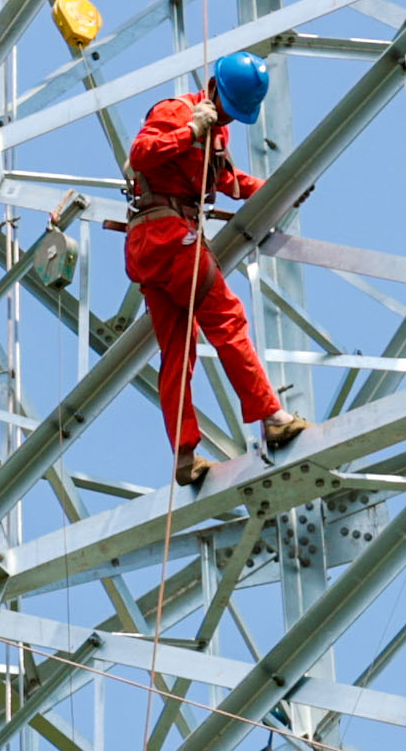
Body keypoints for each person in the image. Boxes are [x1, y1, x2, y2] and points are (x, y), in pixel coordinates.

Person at [123, 52, 308, 489]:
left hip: (156, 246)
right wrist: (190, 131)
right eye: (224, 105)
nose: (225, 114)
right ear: (211, 88)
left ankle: (185, 455)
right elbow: (141, 154)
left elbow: (229, 183)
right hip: (168, 237)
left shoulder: (216, 131)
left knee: (178, 351)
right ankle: (271, 416)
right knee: (227, 319)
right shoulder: (179, 113)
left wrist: (278, 192)